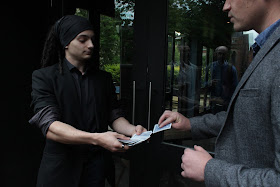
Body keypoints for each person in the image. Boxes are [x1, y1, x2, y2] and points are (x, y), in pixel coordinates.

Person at [158, 0, 280, 186]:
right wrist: (190, 123)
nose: (225, 6)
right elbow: (246, 117)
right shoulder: (265, 49)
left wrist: (210, 170)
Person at [29, 15, 146, 187]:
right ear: (66, 43)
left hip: (96, 169)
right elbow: (51, 126)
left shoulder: (103, 79)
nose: (91, 45)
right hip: (61, 170)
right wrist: (98, 138)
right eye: (83, 40)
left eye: (92, 39)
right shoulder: (44, 77)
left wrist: (132, 130)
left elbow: (114, 116)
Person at [208, 46, 238, 114]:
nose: (221, 56)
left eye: (223, 54)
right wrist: (210, 83)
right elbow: (203, 83)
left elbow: (235, 87)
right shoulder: (211, 67)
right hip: (213, 102)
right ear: (216, 54)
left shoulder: (231, 69)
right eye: (219, 53)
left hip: (225, 103)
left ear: (227, 55)